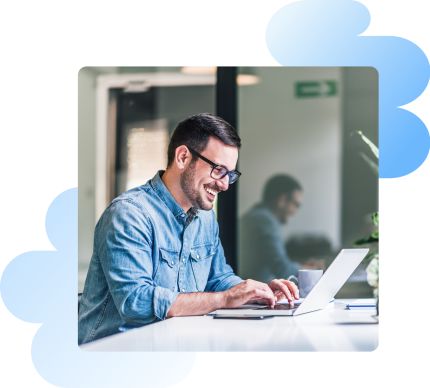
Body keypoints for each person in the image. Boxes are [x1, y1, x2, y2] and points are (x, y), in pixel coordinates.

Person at [78, 113, 298, 344]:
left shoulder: (205, 218)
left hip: (172, 346)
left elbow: (218, 279)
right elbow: (136, 302)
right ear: (183, 157)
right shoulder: (129, 214)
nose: (224, 184)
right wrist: (225, 299)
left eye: (230, 175)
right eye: (218, 170)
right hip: (112, 354)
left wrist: (257, 293)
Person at [239, 174, 304, 282]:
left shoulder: (255, 215)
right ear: (282, 200)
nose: (295, 211)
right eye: (296, 205)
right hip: (257, 292)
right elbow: (282, 269)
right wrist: (311, 270)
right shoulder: (265, 220)